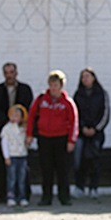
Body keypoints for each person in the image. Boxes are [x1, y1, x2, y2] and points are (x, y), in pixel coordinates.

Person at [26, 70, 78, 206]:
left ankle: (64, 197)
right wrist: (29, 134)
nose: (53, 88)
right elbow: (31, 116)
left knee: (62, 170)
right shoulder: (41, 99)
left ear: (61, 86)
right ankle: (46, 197)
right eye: (51, 85)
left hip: (61, 138)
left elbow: (74, 122)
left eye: (56, 85)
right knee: (46, 169)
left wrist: (72, 141)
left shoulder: (67, 102)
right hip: (44, 138)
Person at [0, 62, 33, 203]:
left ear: (16, 73)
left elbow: (28, 108)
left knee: (22, 166)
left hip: (20, 133)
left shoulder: (25, 90)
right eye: (7, 72)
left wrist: (19, 122)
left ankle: (23, 194)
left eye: (12, 72)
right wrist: (7, 122)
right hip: (4, 132)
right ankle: (3, 194)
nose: (9, 75)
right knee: (2, 163)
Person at [72, 68, 109, 200]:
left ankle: (94, 187)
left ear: (94, 77)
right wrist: (82, 128)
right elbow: (75, 114)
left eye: (87, 76)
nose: (85, 79)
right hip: (81, 133)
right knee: (79, 159)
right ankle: (79, 186)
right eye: (83, 77)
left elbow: (105, 113)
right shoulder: (78, 95)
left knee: (95, 160)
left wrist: (96, 128)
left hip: (96, 133)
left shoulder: (102, 94)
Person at [0, 104, 29, 207]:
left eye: (17, 115)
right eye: (12, 115)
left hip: (22, 156)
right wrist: (6, 156)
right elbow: (4, 143)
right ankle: (11, 197)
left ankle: (22, 197)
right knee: (11, 178)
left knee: (22, 179)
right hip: (12, 155)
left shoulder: (24, 129)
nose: (14, 118)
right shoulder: (7, 129)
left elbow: (27, 142)